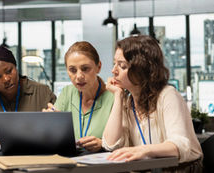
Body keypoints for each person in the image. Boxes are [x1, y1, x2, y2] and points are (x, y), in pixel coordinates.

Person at [102, 35, 203, 172]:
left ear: (141, 69)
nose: (114, 71)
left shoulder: (167, 95)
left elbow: (180, 145)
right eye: (114, 63)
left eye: (122, 66)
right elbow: (110, 144)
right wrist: (118, 96)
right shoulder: (127, 101)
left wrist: (144, 150)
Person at [43, 41, 114, 152]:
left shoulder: (114, 97)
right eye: (72, 70)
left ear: (98, 67)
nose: (79, 76)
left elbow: (125, 141)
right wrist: (49, 121)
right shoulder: (67, 92)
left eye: (85, 69)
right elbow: (54, 136)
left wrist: (103, 143)